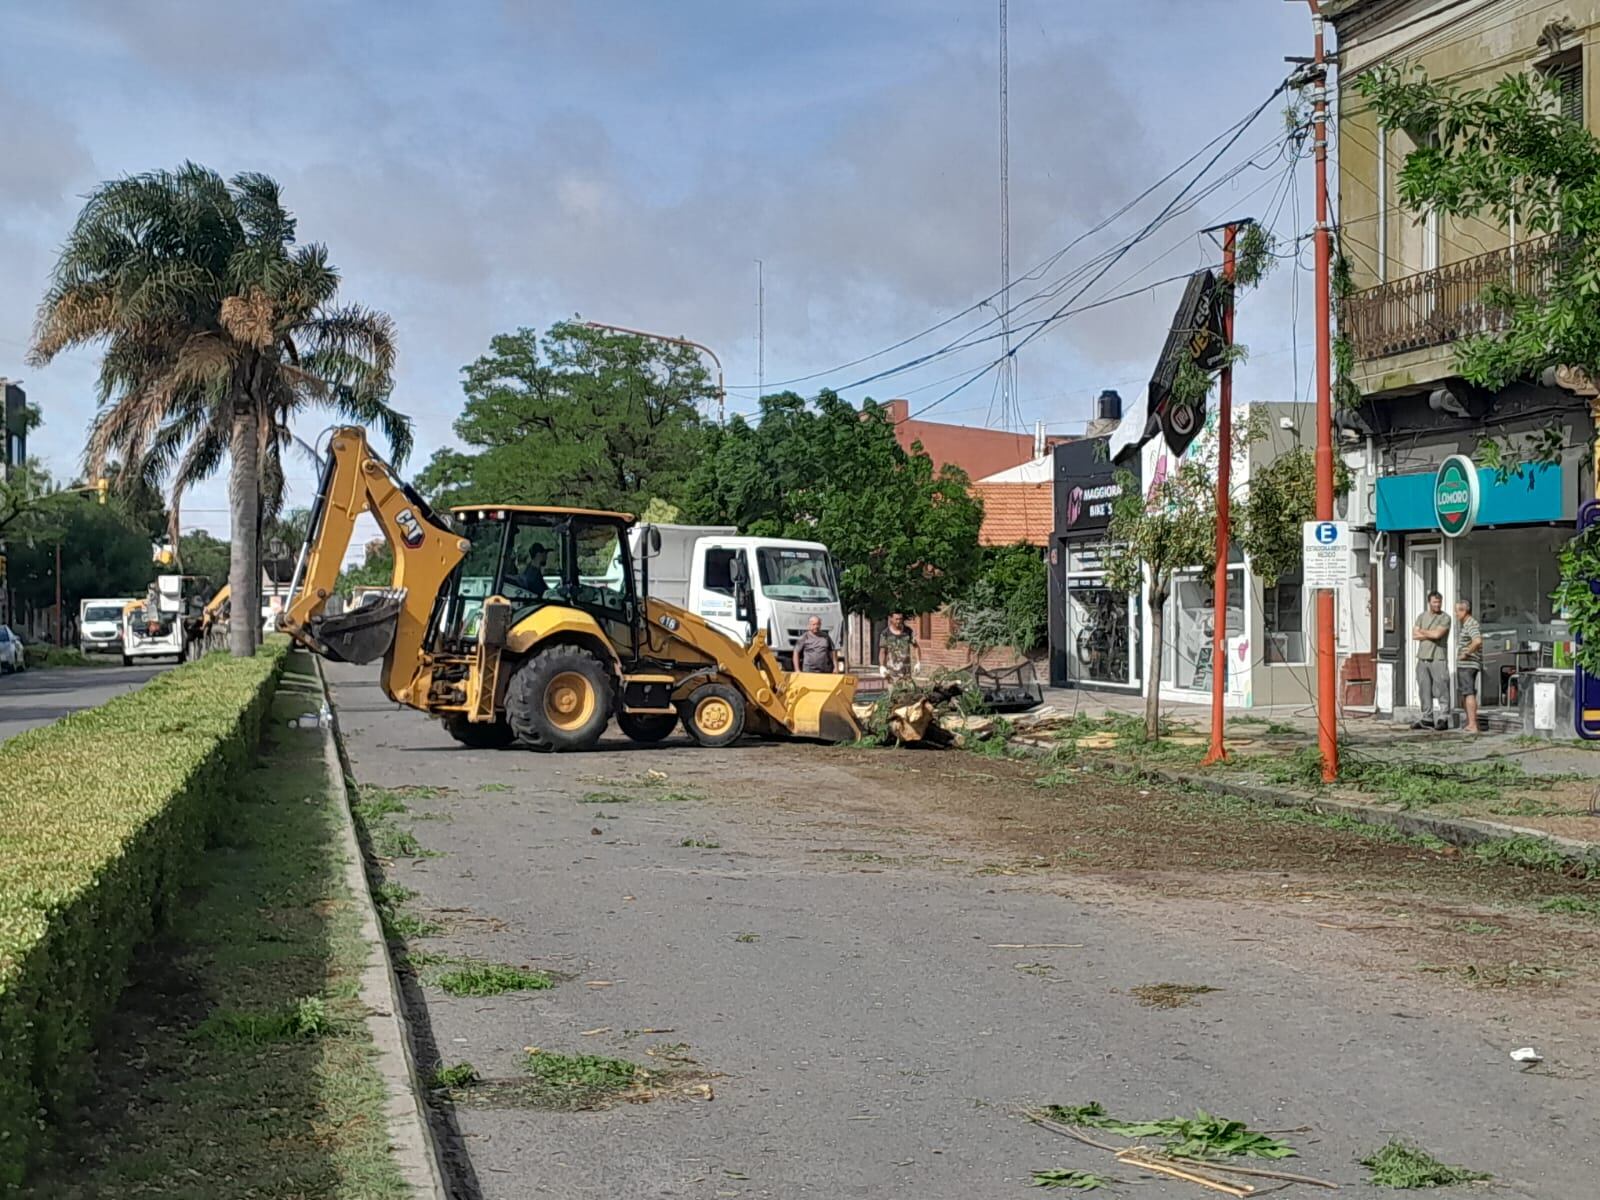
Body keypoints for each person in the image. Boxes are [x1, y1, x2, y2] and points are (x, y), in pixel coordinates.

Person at [1411, 590, 1451, 731]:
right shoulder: (1422, 616)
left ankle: (1443, 717)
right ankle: (1427, 717)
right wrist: (1428, 634)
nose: (1437, 605)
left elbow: (1438, 634)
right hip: (1422, 657)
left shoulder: (1445, 618)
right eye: (1434, 602)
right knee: (1424, 689)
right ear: (1429, 602)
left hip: (1438, 657)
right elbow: (1414, 634)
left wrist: (1424, 632)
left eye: (1439, 602)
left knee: (1442, 687)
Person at [1455, 598, 1483, 733]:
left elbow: (1477, 640)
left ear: (1464, 610)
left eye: (1457, 611)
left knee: (1469, 692)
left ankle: (1473, 724)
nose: (1456, 614)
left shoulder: (1471, 624)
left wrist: (1466, 653)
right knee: (1465, 693)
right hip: (1465, 664)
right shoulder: (1466, 624)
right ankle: (1470, 723)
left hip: (1468, 664)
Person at [879, 611, 920, 684]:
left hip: (906, 673)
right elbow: (882, 651)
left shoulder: (908, 631)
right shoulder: (885, 633)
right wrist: (882, 666)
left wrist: (918, 662)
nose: (898, 621)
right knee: (894, 694)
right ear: (891, 619)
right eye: (896, 619)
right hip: (892, 674)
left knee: (908, 694)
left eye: (900, 619)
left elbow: (916, 646)